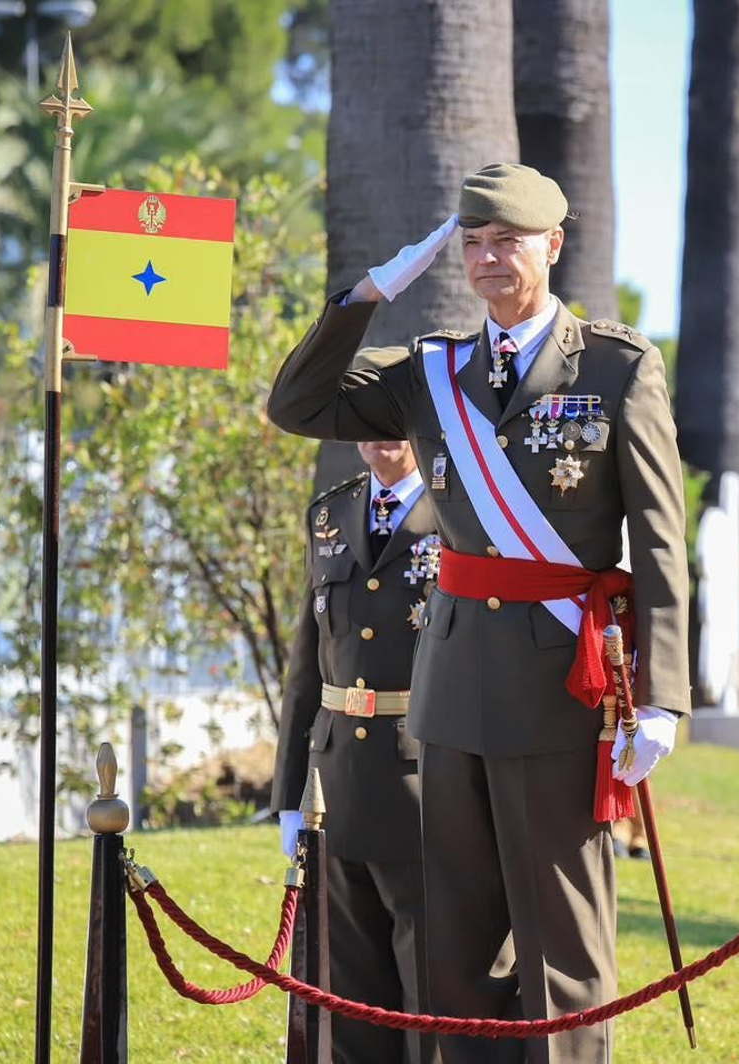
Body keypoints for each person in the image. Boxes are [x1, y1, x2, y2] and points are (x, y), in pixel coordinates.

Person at [267, 162, 690, 1064]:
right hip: (450, 686)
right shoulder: (431, 371)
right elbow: (296, 404)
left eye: (507, 242)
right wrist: (369, 295)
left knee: (562, 941)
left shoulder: (617, 368)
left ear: (553, 246)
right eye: (472, 245)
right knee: (458, 946)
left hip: (559, 685)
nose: (488, 260)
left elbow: (658, 541)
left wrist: (663, 697)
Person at [271, 418, 442, 1064]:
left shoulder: (454, 510)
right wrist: (289, 794)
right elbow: (304, 670)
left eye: (396, 422)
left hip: (422, 785)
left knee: (428, 995)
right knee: (343, 995)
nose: (383, 438)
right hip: (332, 787)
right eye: (367, 425)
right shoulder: (331, 514)